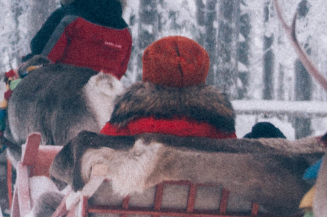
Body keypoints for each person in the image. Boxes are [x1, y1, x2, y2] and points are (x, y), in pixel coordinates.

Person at [98, 35, 237, 139]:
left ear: (149, 69)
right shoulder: (219, 124)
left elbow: (99, 159)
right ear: (202, 70)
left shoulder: (127, 119)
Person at [24, 0, 133, 77]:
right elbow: (119, 72)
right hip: (105, 94)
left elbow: (40, 53)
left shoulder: (68, 16)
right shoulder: (125, 32)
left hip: (63, 92)